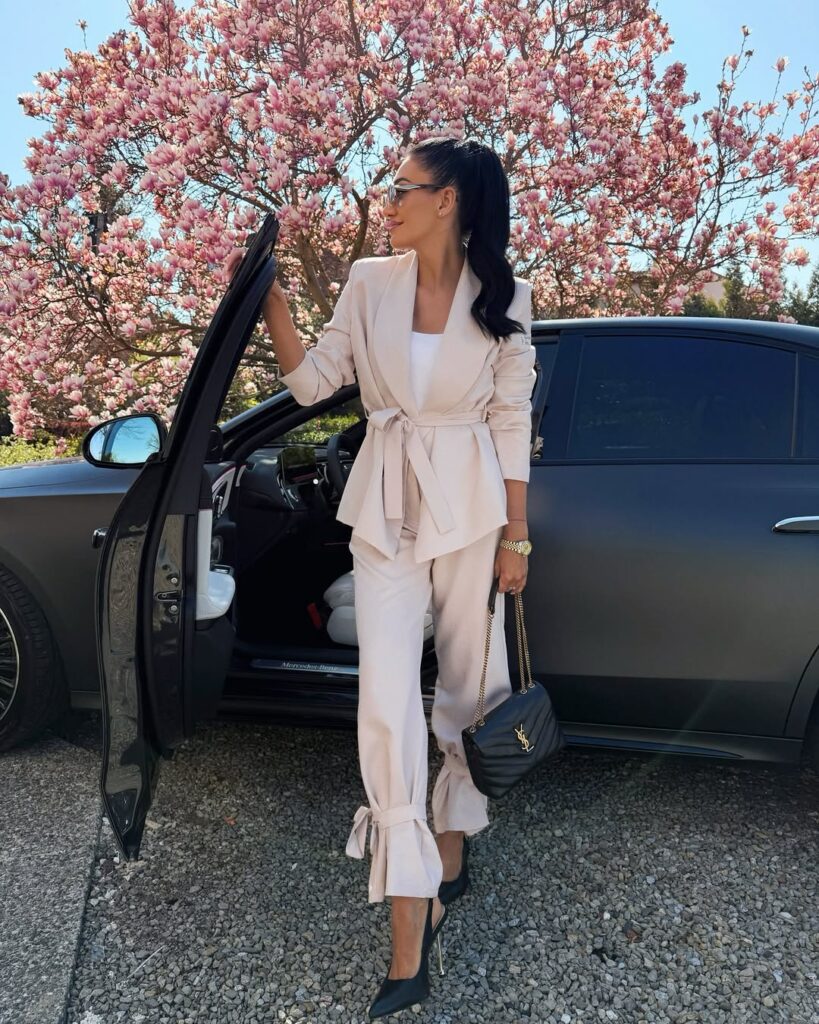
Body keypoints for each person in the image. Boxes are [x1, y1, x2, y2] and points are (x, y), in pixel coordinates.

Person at [225, 135, 535, 1019]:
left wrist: (517, 537)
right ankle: (409, 937)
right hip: (387, 511)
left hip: (473, 513)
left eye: (404, 188)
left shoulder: (508, 295)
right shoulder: (368, 282)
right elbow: (315, 380)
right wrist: (270, 295)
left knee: (467, 696)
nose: (385, 201)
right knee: (384, 707)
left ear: (450, 202)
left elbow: (510, 421)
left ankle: (453, 851)